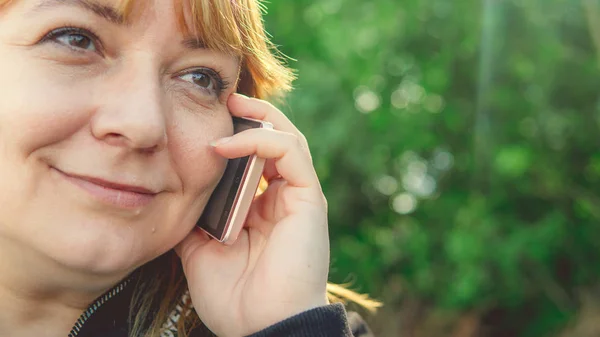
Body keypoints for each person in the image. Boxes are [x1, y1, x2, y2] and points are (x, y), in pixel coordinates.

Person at [0, 0, 379, 336]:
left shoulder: (307, 320)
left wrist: (284, 327)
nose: (142, 124)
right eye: (76, 39)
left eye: (200, 78)